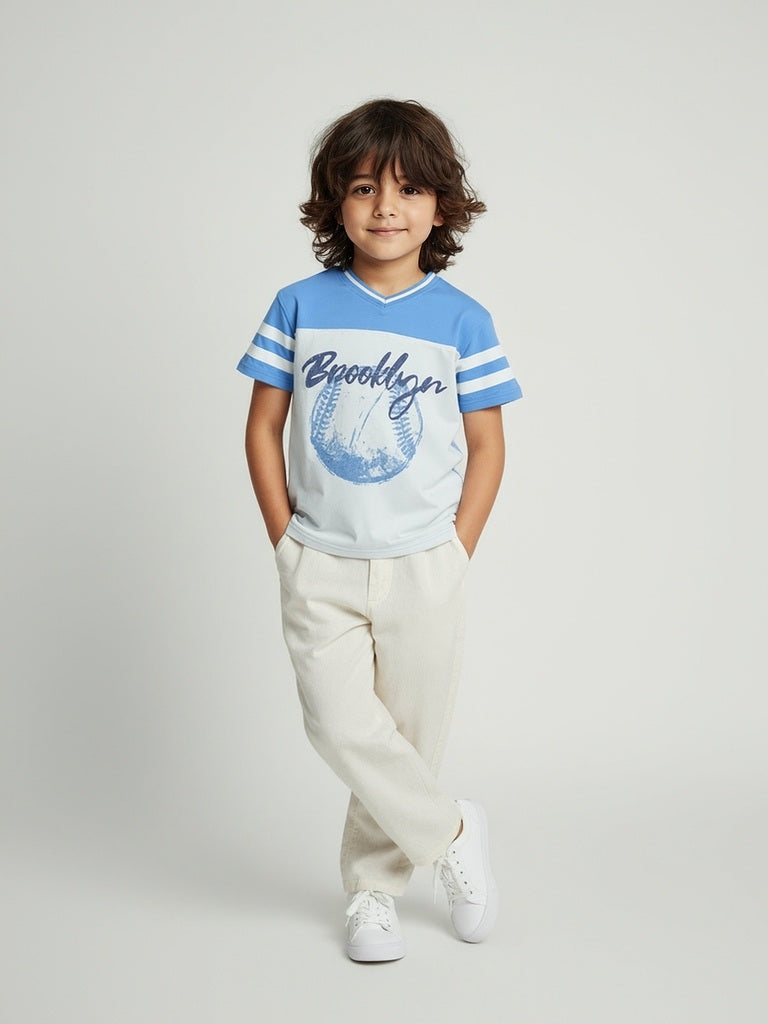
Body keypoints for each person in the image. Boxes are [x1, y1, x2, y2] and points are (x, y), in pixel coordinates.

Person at [237, 98, 522, 962]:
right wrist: (286, 539)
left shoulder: (462, 319)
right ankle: (452, 830)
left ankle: (373, 892)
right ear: (336, 201)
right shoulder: (299, 305)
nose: (386, 207)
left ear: (441, 206)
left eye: (408, 190)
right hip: (320, 559)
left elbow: (487, 446)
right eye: (364, 188)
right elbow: (262, 427)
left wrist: (455, 549)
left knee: (408, 735)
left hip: (424, 565)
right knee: (339, 724)